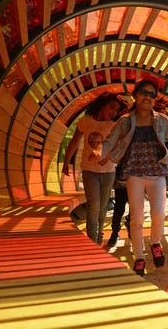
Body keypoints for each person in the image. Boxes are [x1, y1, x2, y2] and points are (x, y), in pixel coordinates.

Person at [100, 78, 168, 276]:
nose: (148, 97)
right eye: (144, 93)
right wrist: (100, 154)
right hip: (134, 174)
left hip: (156, 173)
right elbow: (109, 141)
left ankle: (155, 242)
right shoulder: (125, 121)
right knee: (136, 218)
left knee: (158, 213)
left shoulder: (162, 120)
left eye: (152, 94)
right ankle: (139, 256)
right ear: (136, 95)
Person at [62, 92, 127, 244]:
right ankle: (93, 242)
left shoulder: (113, 125)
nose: (114, 112)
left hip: (108, 171)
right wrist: (66, 162)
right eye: (112, 107)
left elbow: (118, 146)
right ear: (103, 105)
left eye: (117, 110)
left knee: (103, 206)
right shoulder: (85, 121)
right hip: (89, 170)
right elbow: (74, 141)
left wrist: (110, 157)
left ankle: (98, 236)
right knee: (94, 205)